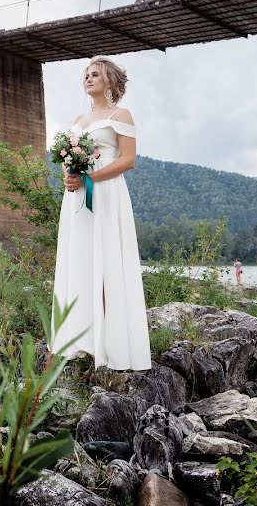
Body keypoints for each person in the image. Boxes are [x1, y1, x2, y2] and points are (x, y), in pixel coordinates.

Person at [51, 56, 151, 371]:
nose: (89, 78)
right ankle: (81, 339)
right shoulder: (79, 119)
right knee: (80, 260)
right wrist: (69, 174)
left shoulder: (121, 115)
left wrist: (90, 178)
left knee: (107, 261)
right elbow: (69, 157)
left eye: (95, 74)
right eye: (86, 74)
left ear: (109, 80)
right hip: (77, 199)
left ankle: (111, 343)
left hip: (105, 194)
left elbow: (128, 159)